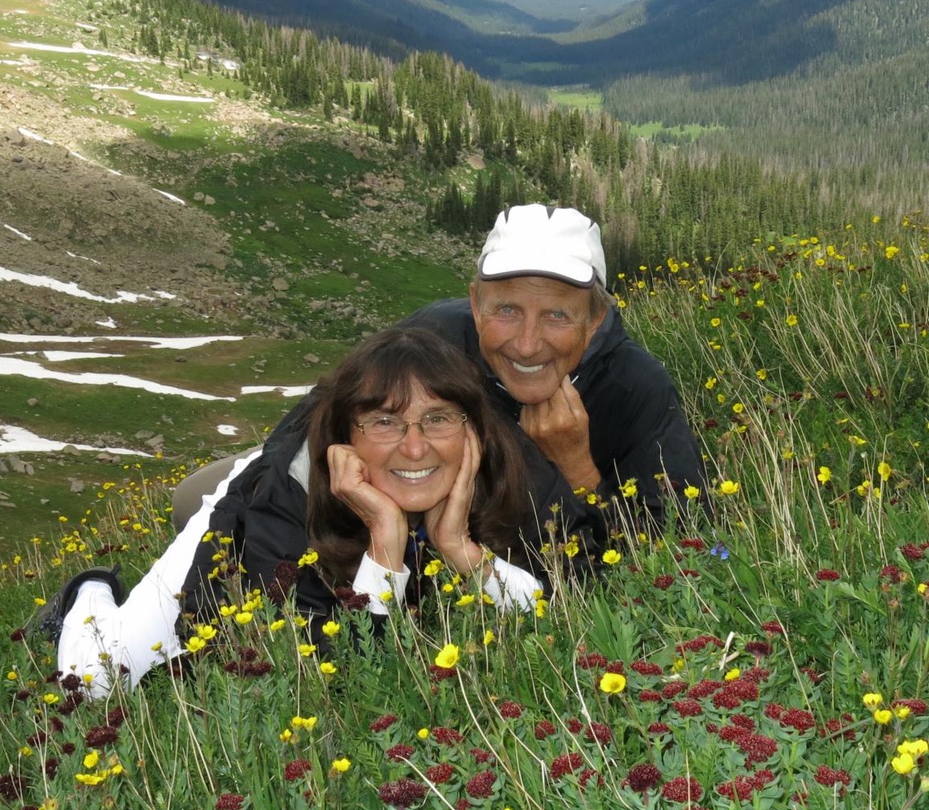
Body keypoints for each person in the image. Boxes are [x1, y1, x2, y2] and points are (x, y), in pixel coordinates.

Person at [49, 328, 581, 698]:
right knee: (97, 681)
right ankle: (88, 590)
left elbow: (559, 610)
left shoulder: (502, 465)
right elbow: (339, 676)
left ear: (470, 426)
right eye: (385, 423)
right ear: (348, 436)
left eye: (438, 419)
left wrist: (462, 550)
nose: (416, 448)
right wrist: (385, 542)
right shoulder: (283, 510)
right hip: (249, 503)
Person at [407, 203, 706, 529]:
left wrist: (575, 465)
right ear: (477, 306)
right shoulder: (429, 345)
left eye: (557, 315)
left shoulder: (636, 387)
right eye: (507, 310)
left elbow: (680, 541)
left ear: (594, 320)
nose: (527, 345)